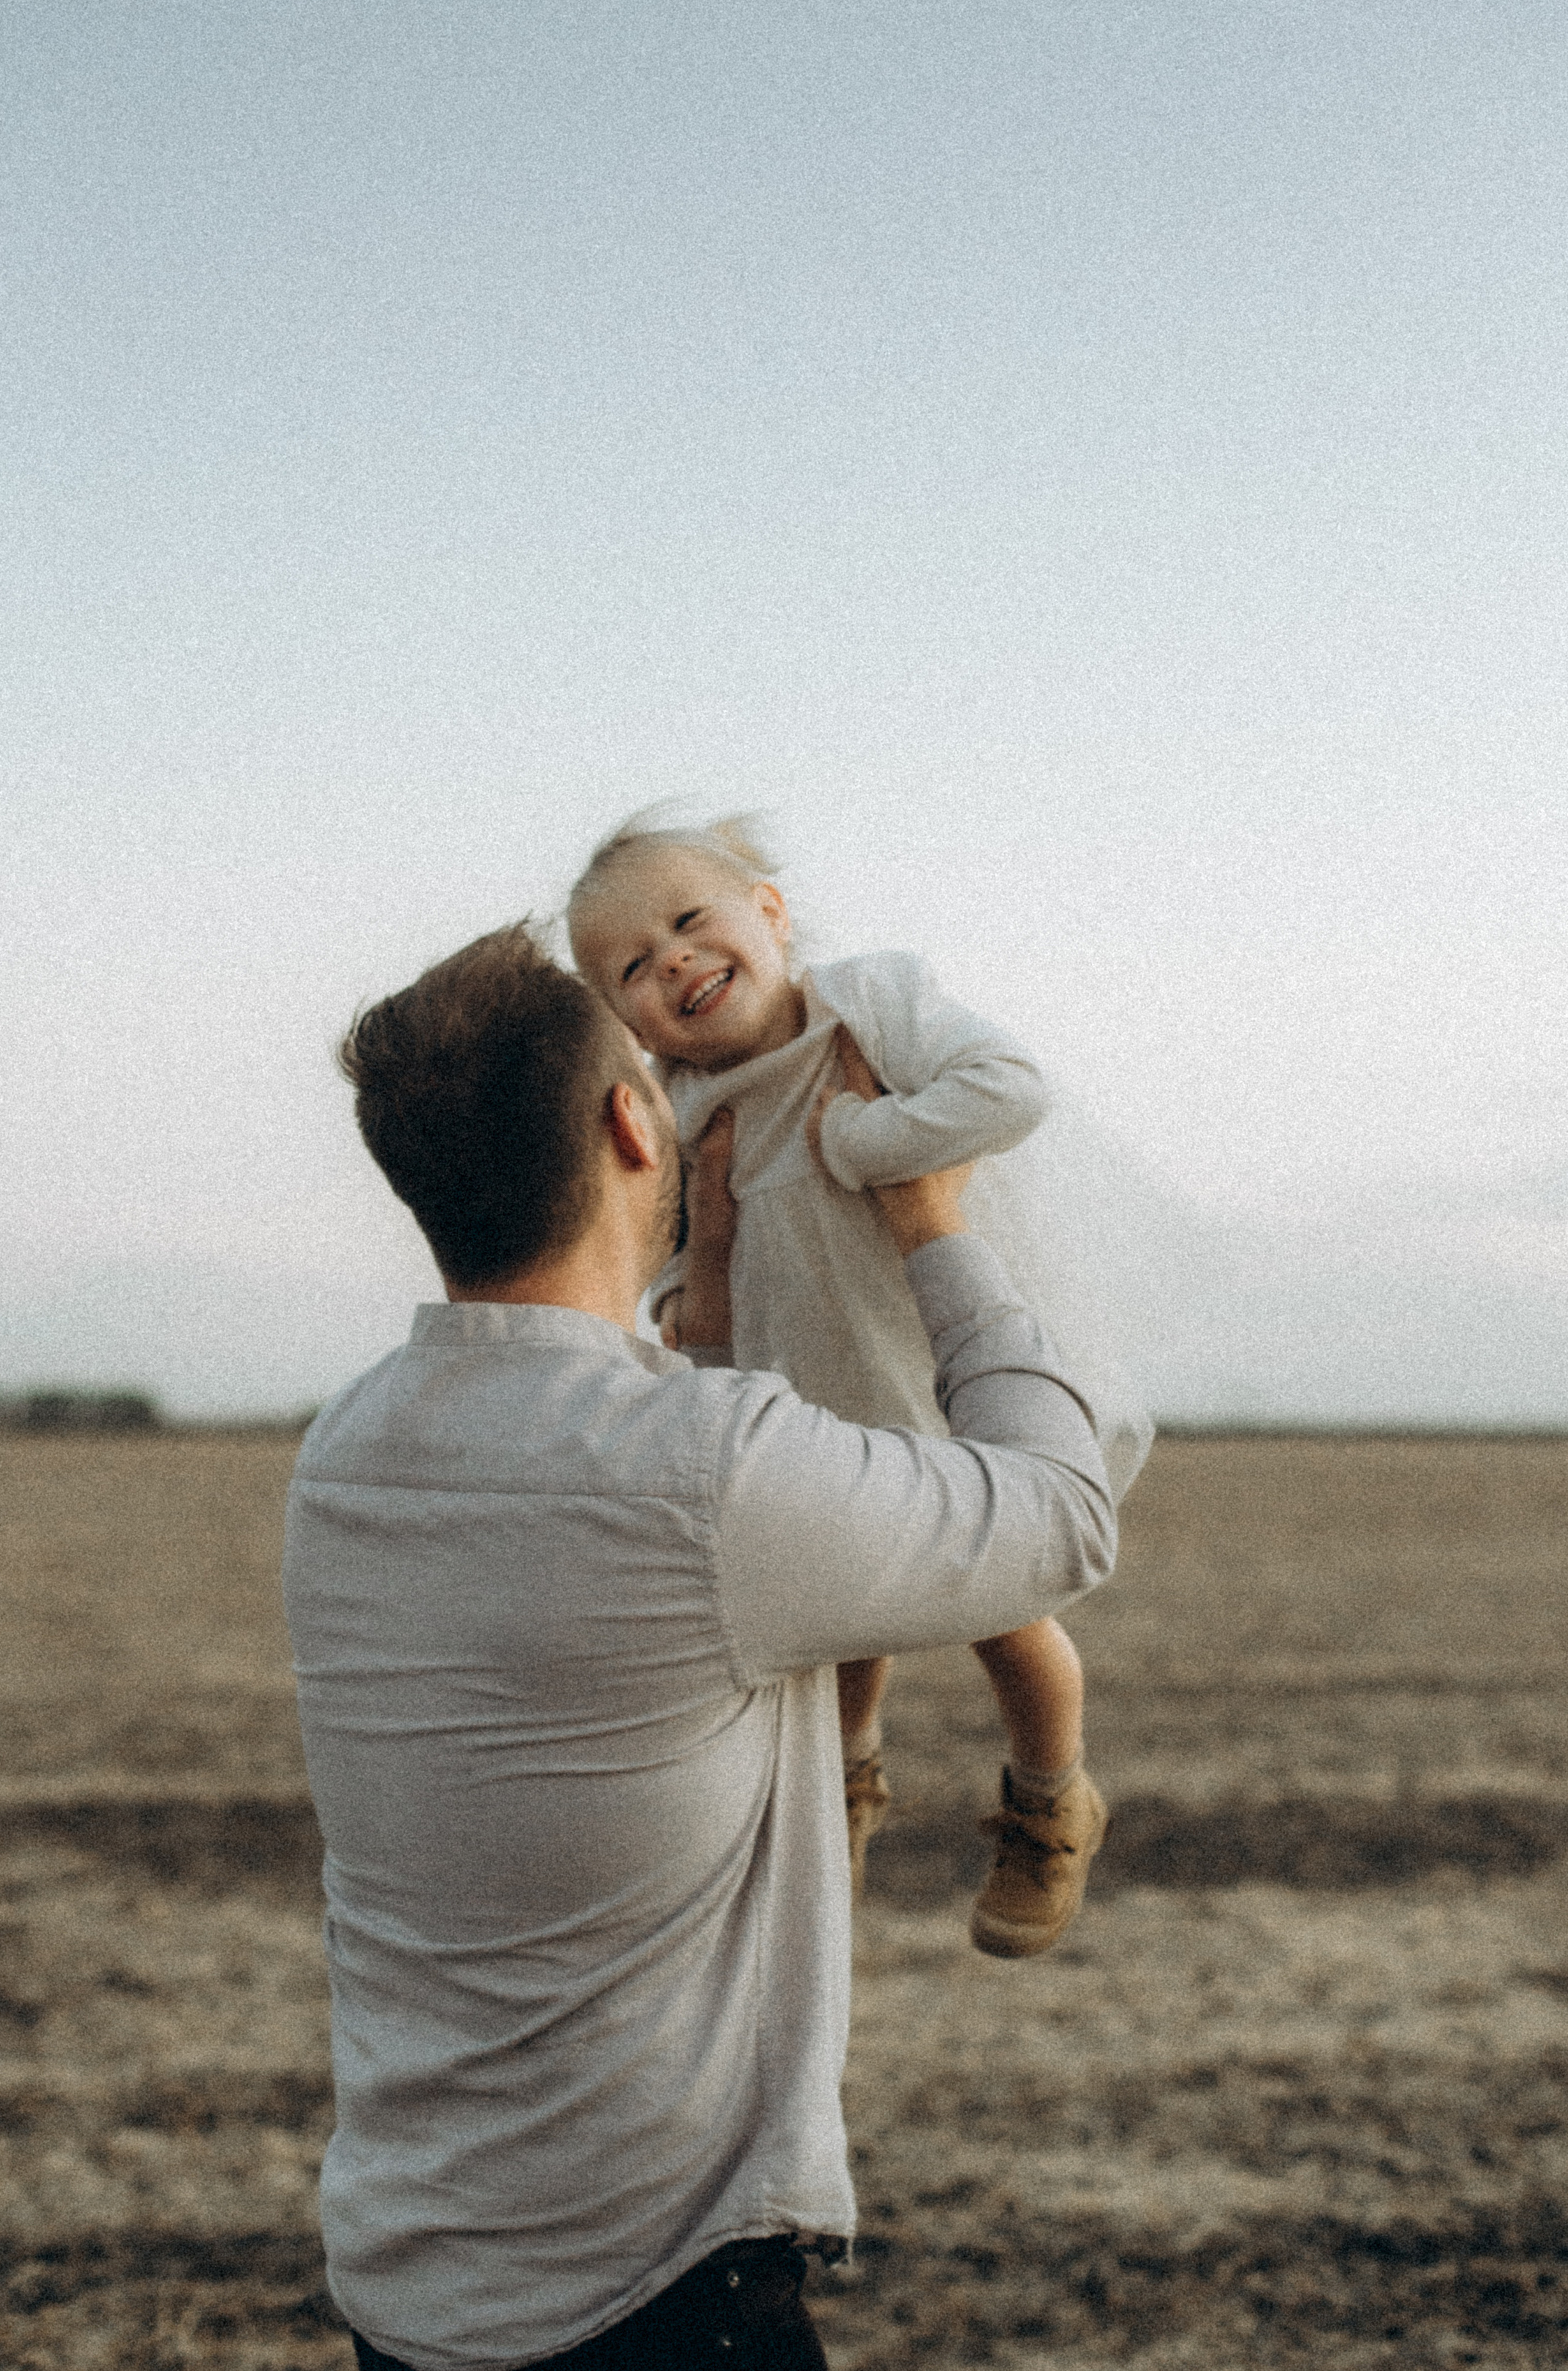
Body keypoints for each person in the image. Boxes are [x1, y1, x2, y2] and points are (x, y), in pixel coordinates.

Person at [284, 921, 1115, 2371]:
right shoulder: (702, 1477)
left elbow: (650, 1528)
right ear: (630, 1122)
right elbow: (1055, 1518)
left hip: (414, 2284)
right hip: (651, 2297)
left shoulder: (350, 1449)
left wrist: (713, 1308)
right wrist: (933, 1226)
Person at [567, 813, 1151, 1957]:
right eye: (632, 967)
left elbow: (1012, 1089)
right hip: (811, 1413)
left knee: (1007, 1614)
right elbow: (669, 1261)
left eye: (690, 922)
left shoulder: (871, 1005)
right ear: (620, 1021)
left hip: (941, 1385)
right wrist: (691, 1287)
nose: (674, 961)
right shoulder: (681, 1113)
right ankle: (841, 1798)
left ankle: (1052, 1803)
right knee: (842, 1638)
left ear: (770, 916)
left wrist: (868, 1139)